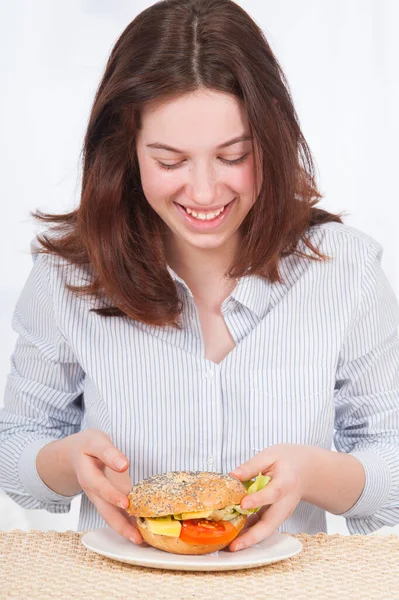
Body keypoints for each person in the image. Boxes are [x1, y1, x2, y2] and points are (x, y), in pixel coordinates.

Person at [1, 0, 399, 552]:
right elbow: (14, 448)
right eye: (170, 162)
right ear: (127, 149)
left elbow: (392, 464)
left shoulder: (345, 271)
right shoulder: (68, 278)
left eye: (234, 156)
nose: (206, 193)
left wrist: (313, 473)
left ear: (272, 140)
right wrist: (68, 464)